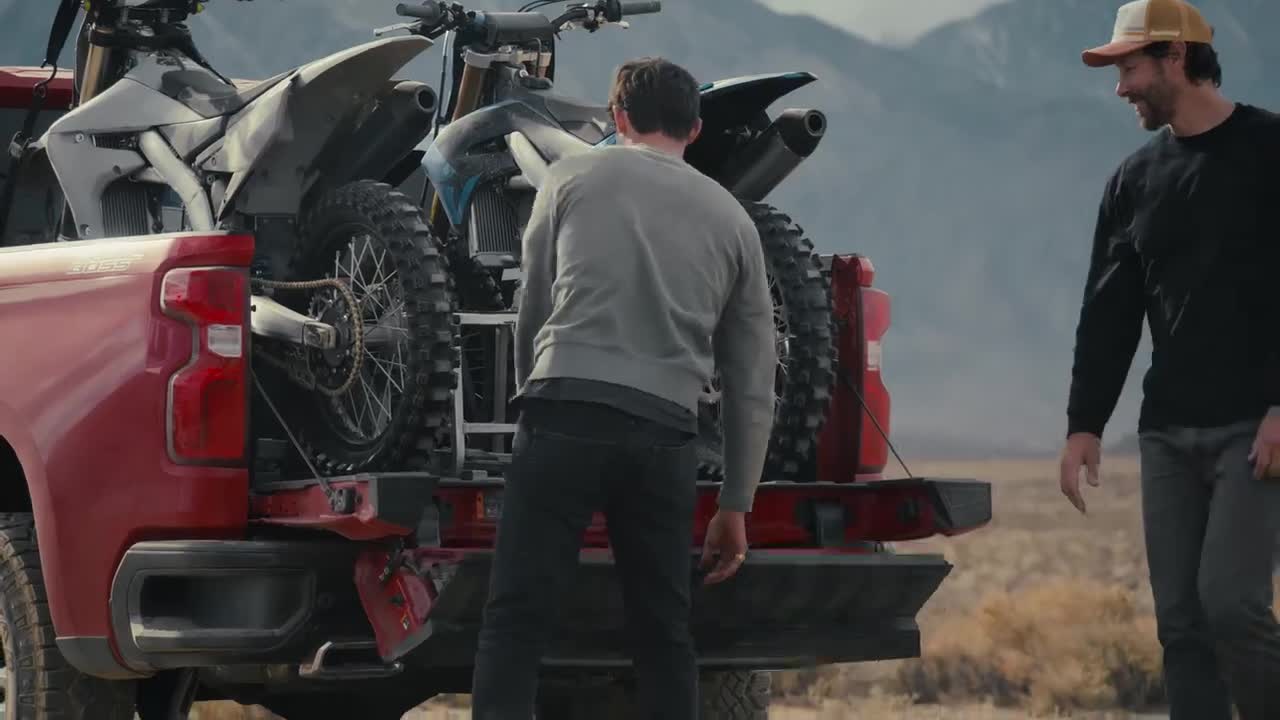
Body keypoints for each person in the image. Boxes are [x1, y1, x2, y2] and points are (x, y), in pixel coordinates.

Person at [469, 56, 778, 719]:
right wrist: (736, 501)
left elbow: (535, 307)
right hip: (665, 431)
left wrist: (535, 396)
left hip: (562, 410)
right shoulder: (733, 221)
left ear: (617, 119)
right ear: (695, 129)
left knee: (516, 622)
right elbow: (754, 377)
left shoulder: (570, 177)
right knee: (663, 633)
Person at [1060, 1, 1280, 718]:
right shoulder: (1132, 181)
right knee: (1181, 626)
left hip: (1255, 427)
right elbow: (1109, 310)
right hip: (1167, 432)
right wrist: (1084, 423)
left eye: (1129, 67)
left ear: (1176, 59)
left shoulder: (1269, 150)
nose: (1120, 87)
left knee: (1232, 607)